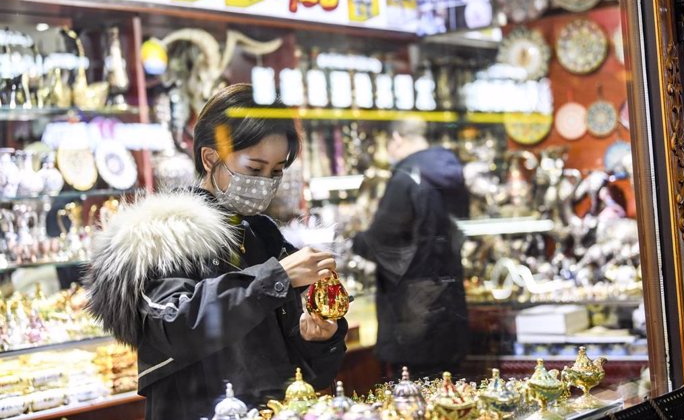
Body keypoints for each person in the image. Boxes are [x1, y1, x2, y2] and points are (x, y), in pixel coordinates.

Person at [85, 84, 347, 420]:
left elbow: (307, 373)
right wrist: (274, 279)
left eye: (276, 171)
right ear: (211, 158)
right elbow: (174, 325)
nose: (266, 181)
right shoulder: (164, 235)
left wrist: (319, 337)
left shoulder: (263, 235)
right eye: (254, 169)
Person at [352, 117, 469, 379]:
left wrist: (355, 240)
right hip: (450, 306)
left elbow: (383, 240)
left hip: (413, 318)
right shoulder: (450, 173)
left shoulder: (406, 178)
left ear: (396, 139)